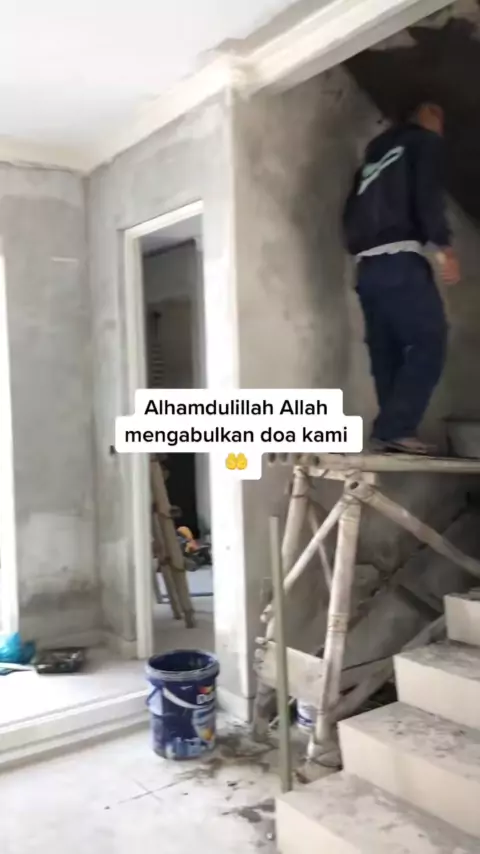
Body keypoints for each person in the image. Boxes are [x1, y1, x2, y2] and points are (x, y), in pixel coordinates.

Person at [343, 102, 460, 455]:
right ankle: (395, 427)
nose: (441, 128)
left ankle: (390, 433)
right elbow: (427, 194)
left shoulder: (373, 159)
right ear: (427, 118)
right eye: (439, 118)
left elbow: (350, 212)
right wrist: (443, 247)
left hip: (367, 266)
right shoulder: (422, 141)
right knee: (430, 340)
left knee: (386, 349)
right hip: (399, 260)